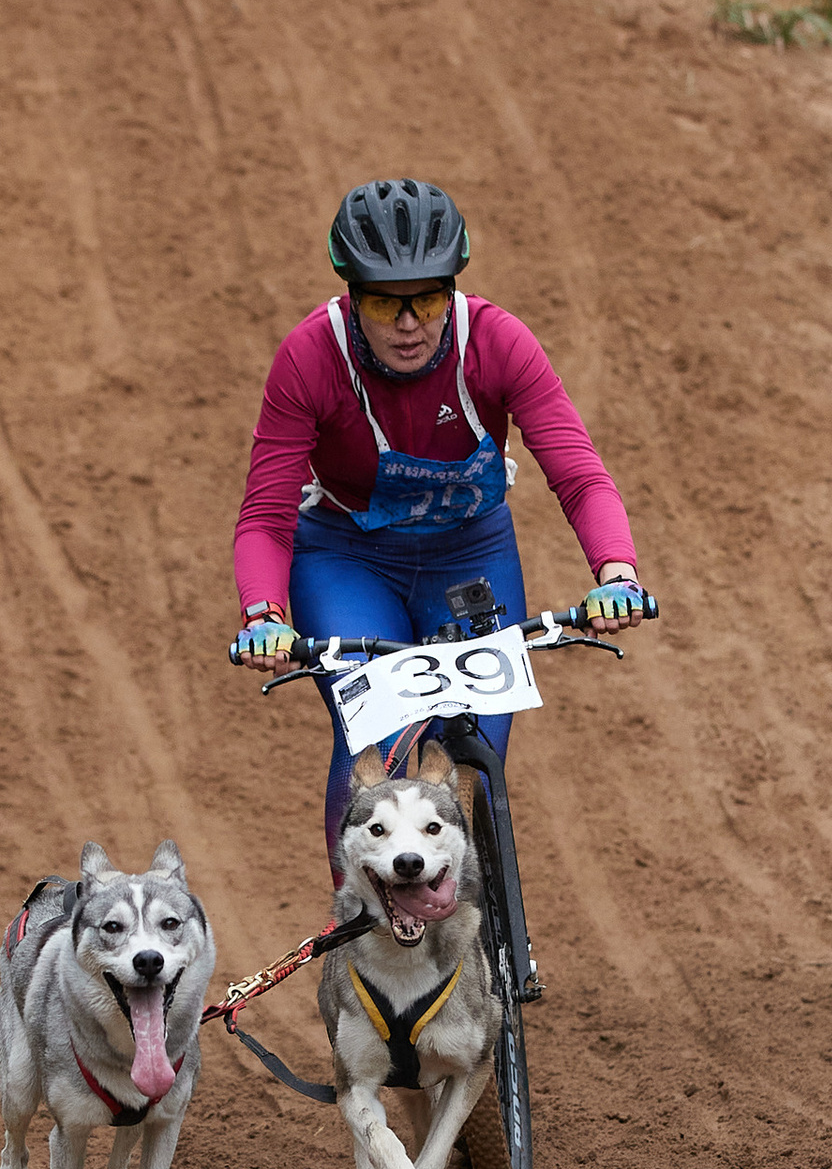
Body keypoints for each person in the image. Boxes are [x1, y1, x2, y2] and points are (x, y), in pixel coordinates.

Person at [230, 177, 647, 875]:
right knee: (380, 749)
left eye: (427, 298)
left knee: (473, 763)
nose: (408, 324)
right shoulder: (309, 358)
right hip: (348, 560)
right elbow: (266, 516)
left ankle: (486, 945)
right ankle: (361, 935)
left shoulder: (499, 344)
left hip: (470, 556)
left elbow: (579, 474)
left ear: (452, 290)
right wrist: (264, 615)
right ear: (351, 297)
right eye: (384, 303)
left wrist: (617, 572)